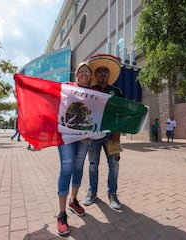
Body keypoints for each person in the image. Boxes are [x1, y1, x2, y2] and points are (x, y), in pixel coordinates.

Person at [55, 62, 93, 236]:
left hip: (84, 137)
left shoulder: (95, 94)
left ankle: (73, 201)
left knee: (78, 167)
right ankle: (61, 213)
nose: (84, 73)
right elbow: (50, 94)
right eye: (81, 71)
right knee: (67, 167)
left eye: (87, 71)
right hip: (66, 137)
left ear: (90, 76)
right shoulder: (67, 87)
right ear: (76, 75)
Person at [83, 54, 123, 210]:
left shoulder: (117, 91)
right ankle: (92, 192)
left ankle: (112, 194)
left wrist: (119, 131)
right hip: (93, 136)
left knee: (115, 165)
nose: (102, 74)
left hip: (113, 136)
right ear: (95, 74)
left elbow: (122, 112)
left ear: (108, 74)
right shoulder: (89, 90)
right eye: (99, 71)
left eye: (105, 71)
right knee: (93, 165)